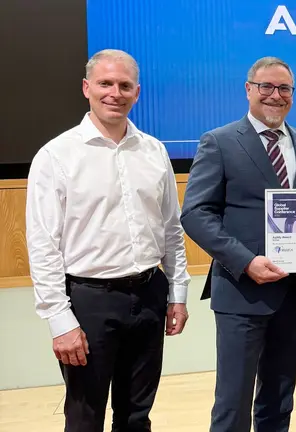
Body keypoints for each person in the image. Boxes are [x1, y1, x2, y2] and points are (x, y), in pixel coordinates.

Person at [25, 49, 191, 432]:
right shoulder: (55, 156)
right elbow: (43, 245)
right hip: (88, 302)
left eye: (124, 85)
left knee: (136, 415)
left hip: (150, 297)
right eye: (105, 83)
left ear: (137, 92)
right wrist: (59, 321)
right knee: (85, 417)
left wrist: (177, 295)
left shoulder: (154, 151)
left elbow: (171, 229)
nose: (114, 93)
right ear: (87, 88)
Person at [180, 56, 296, 432]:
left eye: (284, 89)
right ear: (248, 90)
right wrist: (246, 261)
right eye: (266, 86)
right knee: (232, 404)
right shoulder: (218, 142)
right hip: (242, 293)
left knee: (279, 401)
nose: (275, 95)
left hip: (295, 293)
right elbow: (195, 214)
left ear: (292, 96)